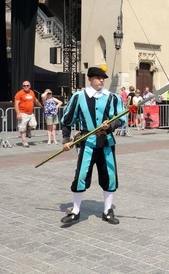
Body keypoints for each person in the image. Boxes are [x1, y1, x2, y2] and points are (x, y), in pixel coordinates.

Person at [60, 66, 126, 225]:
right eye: (97, 77)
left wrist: (109, 126)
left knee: (109, 176)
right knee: (81, 175)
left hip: (107, 143)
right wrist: (66, 140)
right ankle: (75, 211)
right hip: (86, 144)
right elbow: (67, 120)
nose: (101, 80)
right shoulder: (78, 97)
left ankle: (107, 211)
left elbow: (121, 119)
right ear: (90, 79)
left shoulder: (112, 98)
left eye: (103, 78)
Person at [14, 80, 42, 147]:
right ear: (22, 86)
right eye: (24, 86)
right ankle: (24, 142)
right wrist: (18, 113)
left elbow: (35, 100)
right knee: (22, 128)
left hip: (30, 113)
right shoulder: (19, 94)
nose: (26, 87)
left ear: (30, 86)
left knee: (34, 124)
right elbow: (16, 104)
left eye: (27, 85)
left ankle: (29, 129)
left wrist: (41, 105)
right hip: (23, 113)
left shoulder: (32, 92)